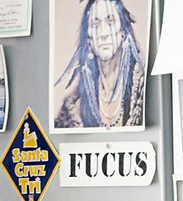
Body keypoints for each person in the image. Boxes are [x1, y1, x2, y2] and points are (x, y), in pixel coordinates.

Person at [54, 0, 144, 131]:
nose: (103, 34)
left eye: (111, 22)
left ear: (123, 33)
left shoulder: (143, 93)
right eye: (95, 24)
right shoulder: (76, 111)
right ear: (89, 40)